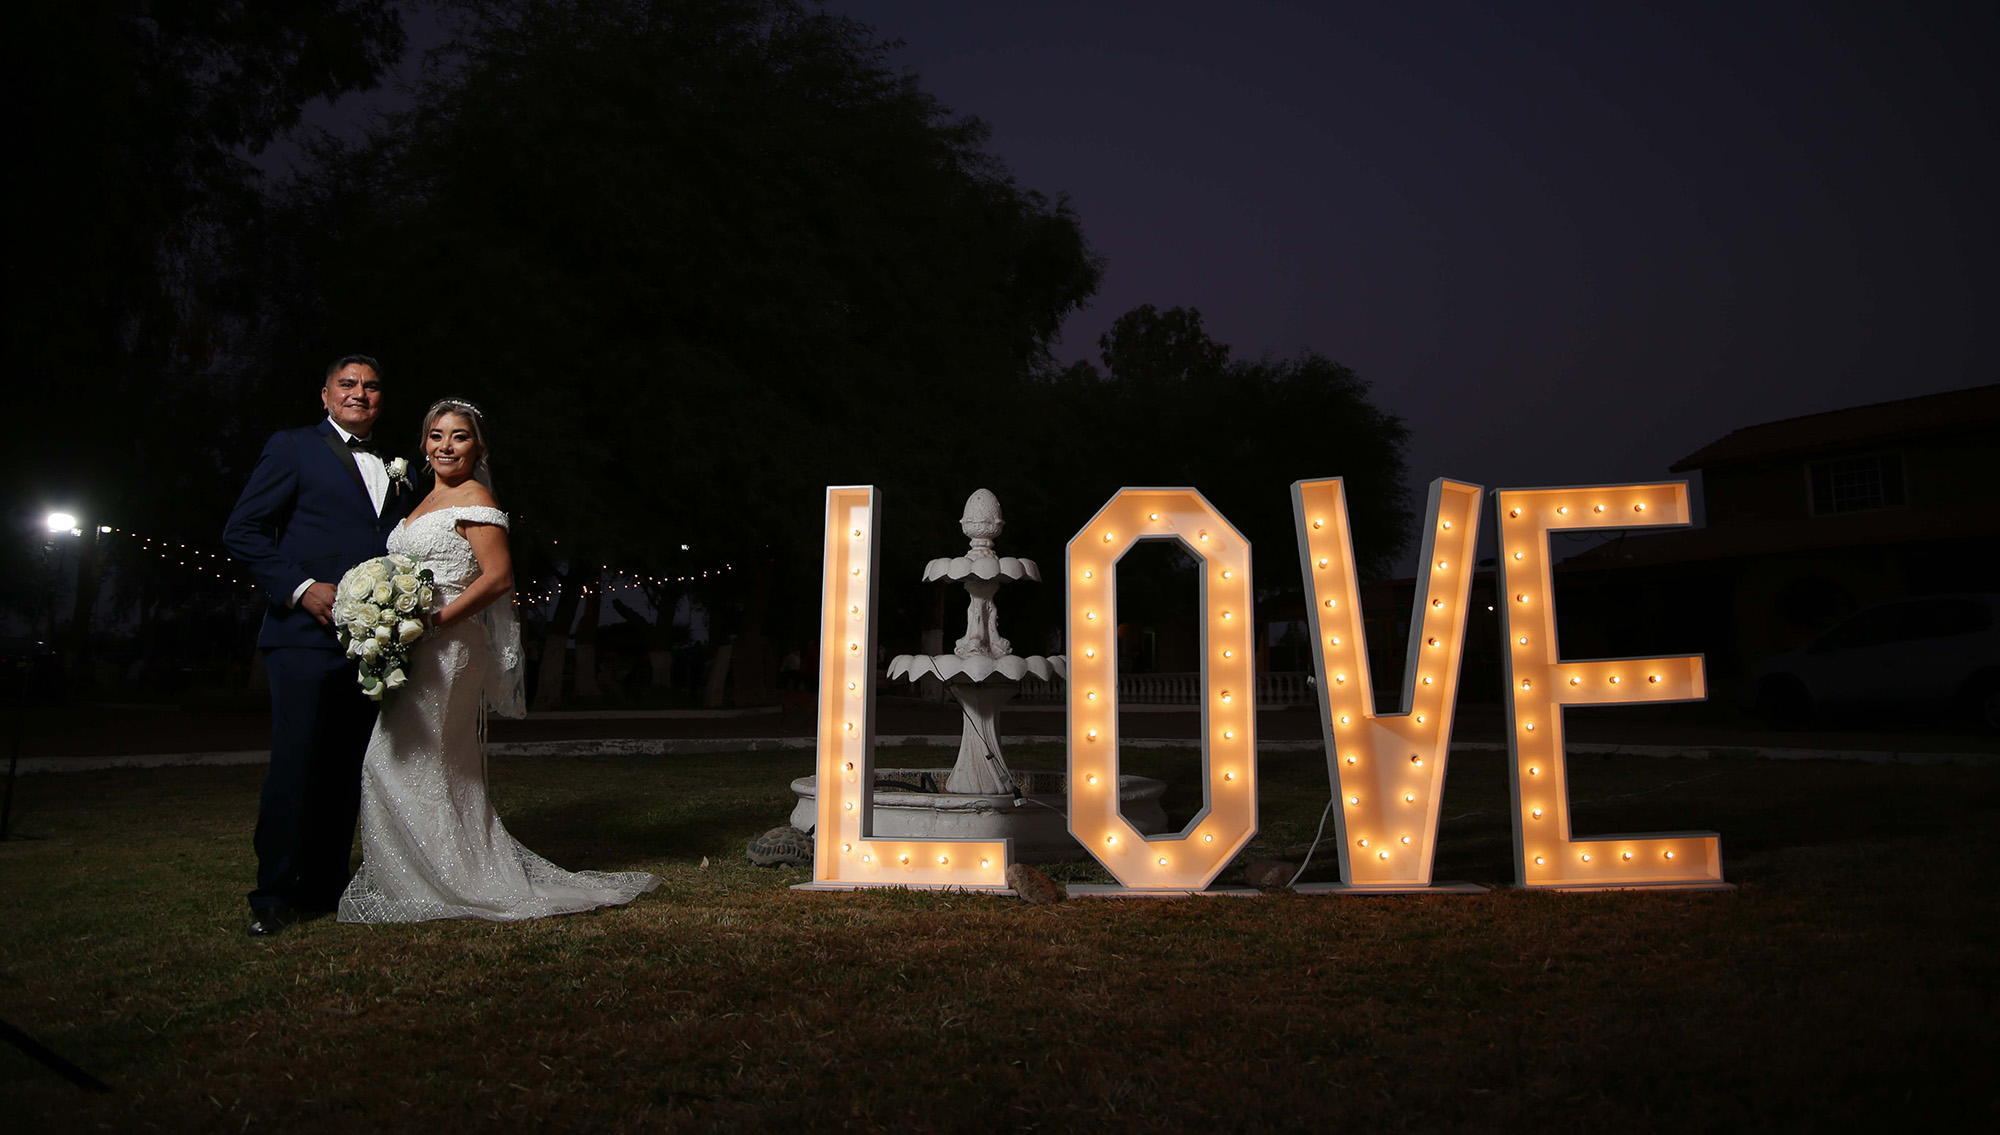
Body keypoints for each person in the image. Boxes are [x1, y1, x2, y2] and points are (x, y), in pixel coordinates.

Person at [337, 399, 658, 923]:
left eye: (459, 437)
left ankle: (451, 880)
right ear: (424, 445)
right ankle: (428, 877)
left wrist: (433, 621)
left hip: (446, 647)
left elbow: (498, 578)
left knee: (413, 761)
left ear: (477, 447)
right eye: (436, 436)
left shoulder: (475, 497)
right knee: (424, 764)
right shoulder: (419, 503)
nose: (446, 446)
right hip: (413, 647)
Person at [224, 356, 419, 936]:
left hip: (372, 644)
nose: (360, 393)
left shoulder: (399, 466)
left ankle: (325, 886)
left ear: (381, 399)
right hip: (303, 637)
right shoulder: (292, 447)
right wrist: (301, 589)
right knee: (297, 762)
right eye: (348, 384)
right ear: (326, 394)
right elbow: (243, 530)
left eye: (372, 386)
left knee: (345, 767)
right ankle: (274, 894)